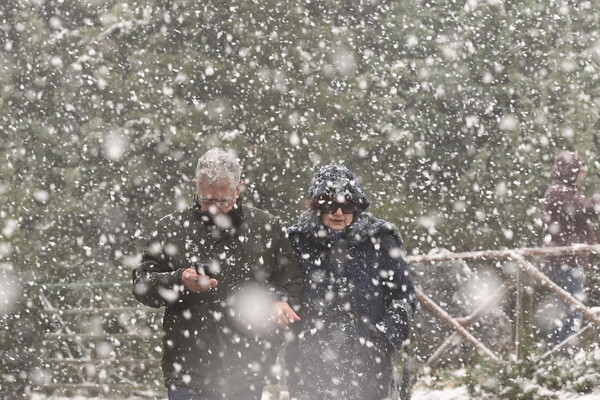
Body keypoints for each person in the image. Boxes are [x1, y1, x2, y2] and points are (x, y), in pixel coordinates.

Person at [133, 148, 303, 400]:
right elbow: (142, 286)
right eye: (206, 199)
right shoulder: (171, 228)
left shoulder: (265, 228)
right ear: (195, 186)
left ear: (239, 189)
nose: (213, 209)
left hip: (246, 369)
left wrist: (279, 300)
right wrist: (179, 280)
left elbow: (292, 282)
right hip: (188, 371)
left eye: (222, 201)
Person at [283, 164, 417, 400]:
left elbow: (404, 296)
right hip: (311, 363)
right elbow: (279, 286)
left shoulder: (381, 238)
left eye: (346, 205)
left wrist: (383, 338)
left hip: (368, 363)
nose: (338, 212)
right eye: (330, 204)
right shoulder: (297, 241)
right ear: (317, 206)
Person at [542, 151, 600, 348]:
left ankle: (559, 357)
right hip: (564, 262)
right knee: (569, 312)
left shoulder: (564, 191)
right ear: (571, 171)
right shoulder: (559, 192)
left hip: (568, 262)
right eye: (580, 171)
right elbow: (585, 208)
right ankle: (561, 357)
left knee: (567, 311)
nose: (583, 176)